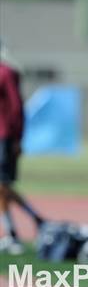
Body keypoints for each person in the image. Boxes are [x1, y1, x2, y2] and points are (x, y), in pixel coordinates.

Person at [0, 43, 45, 254]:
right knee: (3, 187)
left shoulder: (7, 72)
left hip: (4, 137)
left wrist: (17, 138)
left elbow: (17, 107)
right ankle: (37, 220)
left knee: (2, 186)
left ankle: (12, 235)